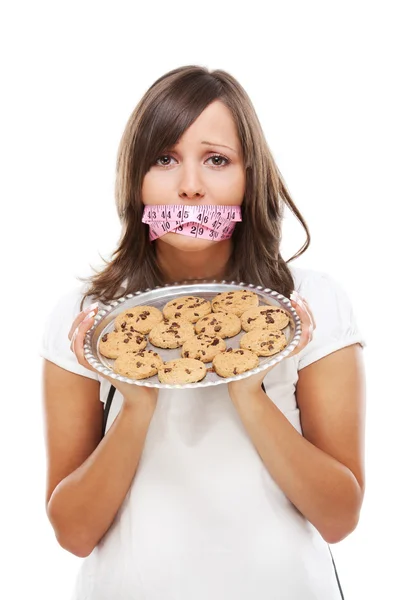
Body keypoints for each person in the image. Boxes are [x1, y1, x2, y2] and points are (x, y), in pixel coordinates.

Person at [40, 65, 366, 600]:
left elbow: (339, 519)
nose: (190, 186)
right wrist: (136, 406)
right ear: (137, 180)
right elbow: (74, 534)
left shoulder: (312, 306)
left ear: (248, 177)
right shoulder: (87, 320)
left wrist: (248, 389)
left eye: (217, 160)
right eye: (164, 159)